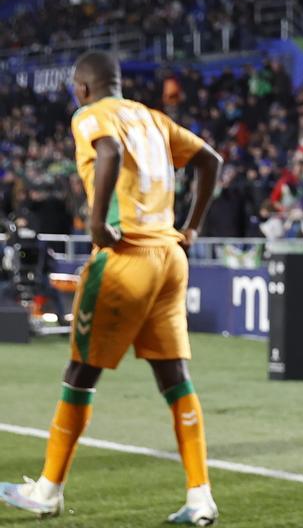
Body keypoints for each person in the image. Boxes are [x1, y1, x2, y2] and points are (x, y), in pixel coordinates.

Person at [0, 51, 223, 524]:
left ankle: (48, 490)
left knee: (80, 372)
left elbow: (109, 151)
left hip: (126, 258)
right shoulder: (154, 117)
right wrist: (194, 226)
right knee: (174, 377)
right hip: (170, 258)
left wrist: (97, 223)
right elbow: (210, 160)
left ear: (82, 89)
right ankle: (200, 495)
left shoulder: (90, 116)